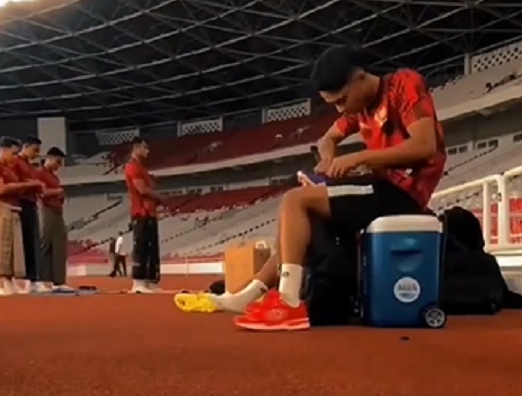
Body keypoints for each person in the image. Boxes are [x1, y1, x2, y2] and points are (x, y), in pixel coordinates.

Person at [183, 46, 447, 330]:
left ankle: (288, 302)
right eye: (333, 103)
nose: (340, 108)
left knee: (295, 201)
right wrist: (329, 160)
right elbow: (327, 139)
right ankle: (249, 294)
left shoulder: (404, 83)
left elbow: (425, 146)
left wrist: (358, 158)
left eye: (342, 99)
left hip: (402, 192)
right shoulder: (358, 107)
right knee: (298, 221)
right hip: (379, 184)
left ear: (361, 77)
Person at [0, 136, 42, 297]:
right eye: (13, 153)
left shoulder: (9, 168)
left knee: (11, 248)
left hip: (14, 208)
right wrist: (27, 185)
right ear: (4, 150)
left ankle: (7, 279)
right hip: (1, 207)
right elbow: (1, 189)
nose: (15, 157)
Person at [124, 137, 162, 293]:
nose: (148, 151)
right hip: (141, 212)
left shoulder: (142, 168)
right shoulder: (132, 167)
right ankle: (138, 281)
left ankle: (150, 280)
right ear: (136, 148)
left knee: (151, 247)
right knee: (141, 246)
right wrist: (159, 196)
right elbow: (141, 189)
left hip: (150, 212)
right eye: (145, 148)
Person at [36, 147, 72, 293]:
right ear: (49, 158)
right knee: (45, 244)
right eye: (57, 161)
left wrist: (60, 195)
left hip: (57, 211)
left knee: (59, 246)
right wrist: (58, 191)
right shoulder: (40, 173)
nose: (59, 165)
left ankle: (59, 281)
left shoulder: (54, 177)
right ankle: (42, 280)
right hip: (46, 209)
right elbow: (42, 193)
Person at [13, 136, 45, 293]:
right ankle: (26, 279)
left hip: (31, 203)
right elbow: (14, 184)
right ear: (25, 146)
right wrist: (32, 184)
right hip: (21, 203)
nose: (37, 154)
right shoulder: (15, 163)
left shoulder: (30, 166)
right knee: (25, 242)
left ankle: (33, 278)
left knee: (32, 242)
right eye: (35, 150)